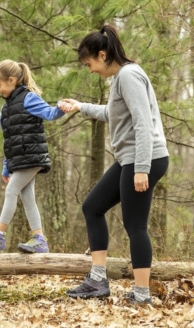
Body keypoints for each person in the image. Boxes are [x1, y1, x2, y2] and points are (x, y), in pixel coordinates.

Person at [59, 25, 169, 305]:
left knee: (136, 226)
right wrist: (80, 106)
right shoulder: (123, 76)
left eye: (90, 63)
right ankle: (98, 280)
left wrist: (142, 168)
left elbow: (143, 122)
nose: (90, 70)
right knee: (92, 207)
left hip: (143, 158)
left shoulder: (128, 76)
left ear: (103, 54)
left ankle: (142, 296)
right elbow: (115, 114)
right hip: (132, 159)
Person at [0, 59, 65, 254]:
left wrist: (60, 107)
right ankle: (39, 238)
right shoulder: (5, 109)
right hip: (20, 159)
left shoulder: (28, 98)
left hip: (32, 157)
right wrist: (7, 166)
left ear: (11, 80)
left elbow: (50, 114)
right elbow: (9, 140)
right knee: (27, 197)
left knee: (11, 191)